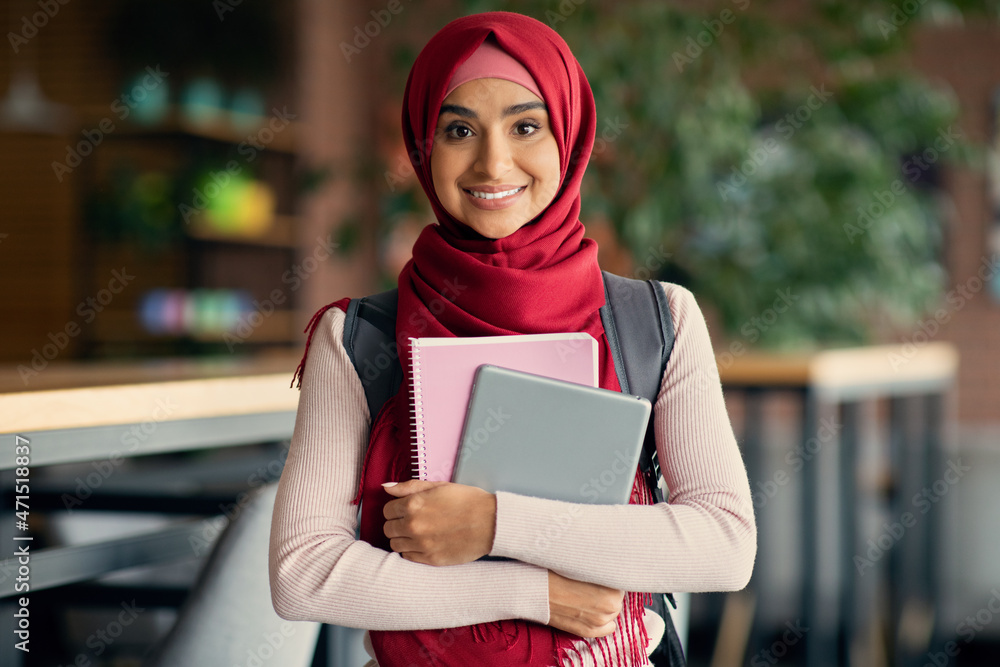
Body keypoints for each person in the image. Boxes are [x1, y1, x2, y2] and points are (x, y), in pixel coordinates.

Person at [269, 11, 756, 667]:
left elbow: (724, 542)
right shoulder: (356, 339)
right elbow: (302, 572)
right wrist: (534, 592)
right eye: (460, 130)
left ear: (571, 137)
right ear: (423, 146)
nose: (492, 162)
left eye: (526, 126)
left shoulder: (658, 320)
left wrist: (494, 521)